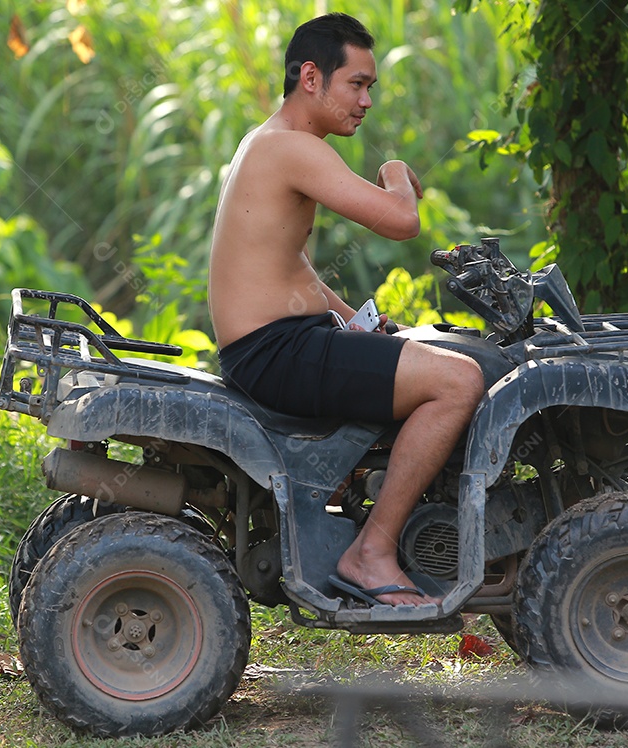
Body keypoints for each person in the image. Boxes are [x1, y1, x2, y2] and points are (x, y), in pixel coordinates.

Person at [207, 13, 485, 607]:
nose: (366, 102)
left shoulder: (269, 141)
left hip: (280, 342)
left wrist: (352, 319)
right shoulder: (294, 148)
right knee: (459, 381)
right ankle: (371, 552)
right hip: (277, 351)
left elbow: (286, 263)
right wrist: (395, 174)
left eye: (370, 87)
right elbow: (401, 221)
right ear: (311, 77)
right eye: (356, 84)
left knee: (431, 348)